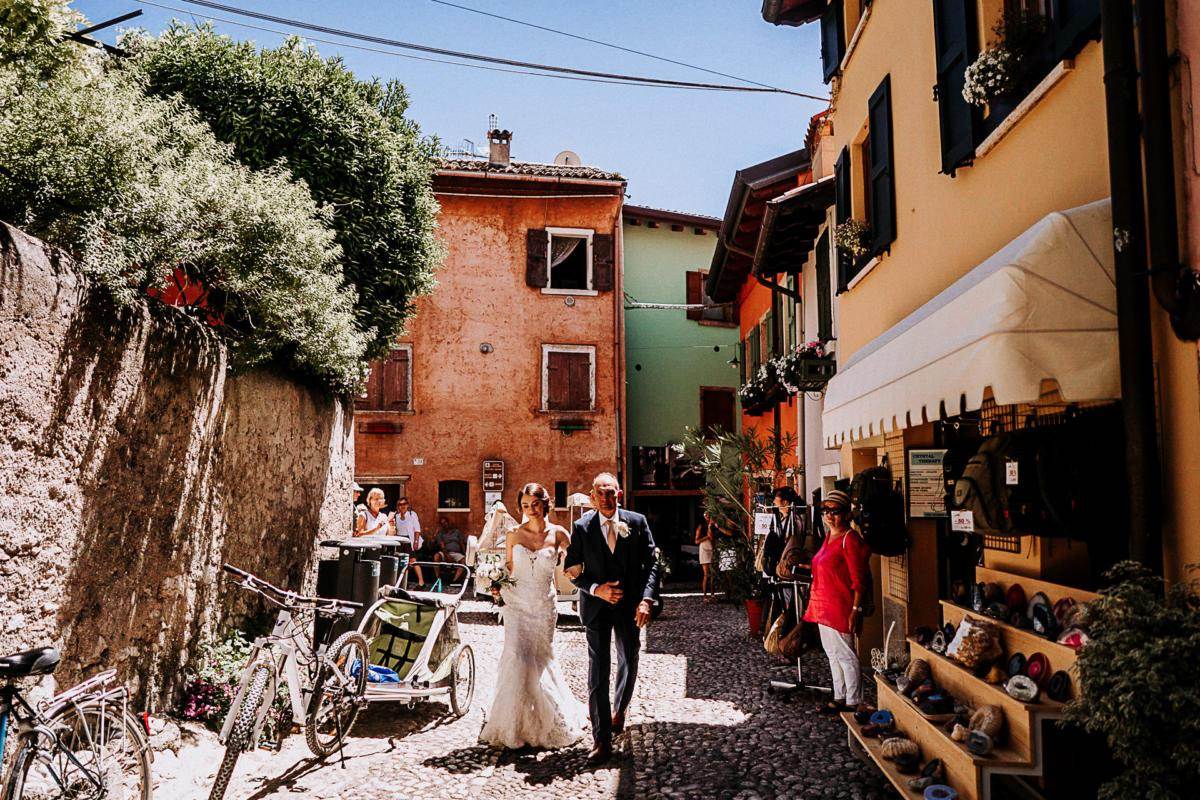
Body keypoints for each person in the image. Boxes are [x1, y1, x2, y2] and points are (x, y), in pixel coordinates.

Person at [479, 483, 588, 750]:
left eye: (535, 504)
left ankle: (545, 722)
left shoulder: (560, 535)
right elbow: (508, 568)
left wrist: (581, 573)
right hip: (516, 605)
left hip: (543, 605)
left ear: (546, 504)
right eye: (525, 506)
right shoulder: (513, 534)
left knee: (540, 659)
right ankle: (513, 724)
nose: (530, 510)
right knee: (516, 656)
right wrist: (494, 583)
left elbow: (576, 567)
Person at [564, 472, 660, 766]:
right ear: (593, 496)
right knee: (599, 669)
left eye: (611, 492)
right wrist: (597, 589)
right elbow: (571, 569)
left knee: (629, 659)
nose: (606, 497)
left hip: (631, 606)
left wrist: (646, 599)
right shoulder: (581, 527)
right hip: (596, 608)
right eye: (600, 493)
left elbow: (653, 564)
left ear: (619, 494)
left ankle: (620, 709)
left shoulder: (637, 521)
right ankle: (601, 738)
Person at [803, 489, 872, 714]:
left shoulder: (849, 540)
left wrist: (855, 609)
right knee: (832, 654)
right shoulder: (829, 537)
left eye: (835, 511)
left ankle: (853, 701)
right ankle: (839, 695)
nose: (829, 515)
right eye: (825, 510)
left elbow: (858, 579)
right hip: (823, 605)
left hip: (841, 606)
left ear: (846, 514)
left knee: (846, 654)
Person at [393, 496, 425, 584]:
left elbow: (417, 529)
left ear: (407, 505)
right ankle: (403, 582)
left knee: (413, 560)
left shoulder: (412, 514)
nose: (402, 506)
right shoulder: (396, 516)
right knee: (402, 562)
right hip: (399, 541)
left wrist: (416, 541)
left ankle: (421, 582)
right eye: (400, 504)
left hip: (409, 540)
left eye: (404, 504)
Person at [695, 513, 715, 603]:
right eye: (707, 516)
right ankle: (705, 596)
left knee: (713, 574)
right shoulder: (700, 527)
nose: (708, 517)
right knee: (706, 575)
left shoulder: (713, 526)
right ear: (704, 517)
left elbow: (713, 538)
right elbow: (696, 541)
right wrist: (706, 536)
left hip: (711, 549)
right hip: (704, 549)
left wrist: (710, 527)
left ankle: (713, 595)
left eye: (709, 516)